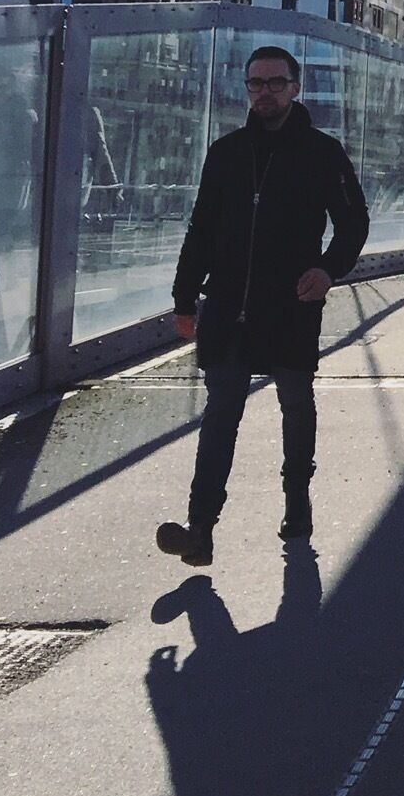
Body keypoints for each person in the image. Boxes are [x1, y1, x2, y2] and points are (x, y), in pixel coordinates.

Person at [157, 46, 370, 564]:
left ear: (295, 87)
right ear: (247, 89)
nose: (265, 92)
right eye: (256, 83)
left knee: (295, 407)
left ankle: (297, 500)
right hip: (228, 308)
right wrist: (185, 298)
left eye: (276, 82)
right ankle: (200, 529)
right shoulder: (226, 153)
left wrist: (327, 270)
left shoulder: (323, 153)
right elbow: (201, 229)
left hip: (291, 307)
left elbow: (354, 222)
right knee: (220, 414)